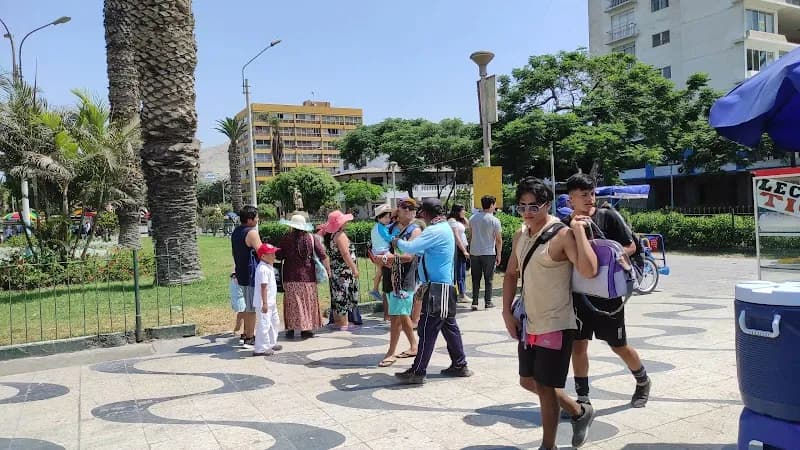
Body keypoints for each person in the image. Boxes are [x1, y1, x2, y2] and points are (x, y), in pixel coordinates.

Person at [501, 177, 598, 449]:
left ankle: (549, 445)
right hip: (529, 322)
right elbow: (510, 274)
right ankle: (579, 411)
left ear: (547, 205)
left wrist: (578, 232)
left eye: (534, 207)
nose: (528, 213)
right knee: (527, 381)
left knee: (545, 387)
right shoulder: (521, 234)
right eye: (522, 207)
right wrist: (507, 313)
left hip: (556, 323)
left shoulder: (561, 234)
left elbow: (589, 270)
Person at [564, 173, 652, 410]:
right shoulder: (565, 226)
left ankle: (643, 381)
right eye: (583, 195)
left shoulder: (607, 216)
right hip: (579, 295)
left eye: (592, 193)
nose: (590, 198)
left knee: (618, 345)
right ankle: (583, 397)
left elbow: (632, 245)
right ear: (570, 199)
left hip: (609, 296)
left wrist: (614, 255)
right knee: (578, 345)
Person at [394, 198, 472, 385]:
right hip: (443, 286)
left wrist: (396, 240)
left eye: (421, 212)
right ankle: (460, 365)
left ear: (426, 213)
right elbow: (424, 252)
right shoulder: (443, 228)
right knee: (449, 327)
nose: (419, 215)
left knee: (428, 329)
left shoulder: (435, 230)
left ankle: (418, 371)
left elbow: (412, 247)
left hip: (438, 288)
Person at [370, 198, 421, 367]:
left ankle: (391, 352)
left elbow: (409, 256)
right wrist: (379, 259)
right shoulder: (389, 228)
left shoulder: (415, 230)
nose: (407, 211)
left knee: (395, 316)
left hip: (404, 278)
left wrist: (390, 257)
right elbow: (379, 245)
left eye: (411, 208)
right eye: (403, 207)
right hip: (388, 275)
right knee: (401, 313)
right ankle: (414, 345)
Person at [277, 214, 329, 339]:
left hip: (290, 275)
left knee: (292, 303)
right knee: (307, 302)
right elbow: (323, 255)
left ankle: (291, 327)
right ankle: (307, 328)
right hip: (308, 276)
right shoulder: (311, 238)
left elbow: (279, 256)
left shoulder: (286, 239)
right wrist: (328, 270)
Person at [319, 210, 360, 330]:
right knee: (344, 295)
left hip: (336, 270)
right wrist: (354, 268)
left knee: (337, 295)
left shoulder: (331, 236)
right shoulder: (340, 235)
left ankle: (338, 321)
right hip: (344, 271)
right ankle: (344, 323)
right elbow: (345, 254)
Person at [231, 206, 261, 347]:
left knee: (247, 305)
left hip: (241, 272)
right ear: (249, 220)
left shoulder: (236, 231)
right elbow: (261, 251)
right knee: (251, 308)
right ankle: (250, 337)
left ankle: (245, 332)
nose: (258, 219)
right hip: (250, 274)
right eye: (256, 217)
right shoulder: (251, 233)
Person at [469, 195, 502, 311]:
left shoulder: (472, 218)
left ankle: (475, 302)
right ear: (492, 205)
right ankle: (488, 302)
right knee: (489, 279)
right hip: (489, 253)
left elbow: (471, 236)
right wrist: (499, 254)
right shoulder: (494, 220)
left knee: (475, 278)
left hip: (474, 252)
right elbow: (498, 239)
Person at [253, 243, 283, 357]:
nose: (274, 255)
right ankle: (261, 348)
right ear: (263, 256)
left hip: (271, 302)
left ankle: (271, 342)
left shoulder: (268, 266)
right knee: (264, 325)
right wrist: (264, 303)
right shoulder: (262, 269)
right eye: (271, 254)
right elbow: (263, 287)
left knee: (274, 322)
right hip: (264, 303)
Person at [369, 204, 394, 303]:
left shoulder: (376, 227)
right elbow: (388, 237)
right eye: (386, 217)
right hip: (384, 251)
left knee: (379, 272)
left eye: (389, 217)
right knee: (393, 266)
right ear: (379, 218)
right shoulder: (381, 228)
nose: (388, 220)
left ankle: (375, 290)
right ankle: (395, 289)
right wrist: (396, 235)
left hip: (376, 252)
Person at [447, 204, 470, 301]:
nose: (464, 212)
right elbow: (456, 237)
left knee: (462, 272)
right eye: (463, 210)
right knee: (459, 272)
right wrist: (464, 250)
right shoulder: (452, 221)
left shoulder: (458, 220)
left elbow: (468, 226)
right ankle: (461, 294)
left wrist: (464, 217)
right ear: (457, 211)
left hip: (462, 247)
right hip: (458, 249)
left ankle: (461, 293)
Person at [229, 272, 246, 344]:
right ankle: (239, 330)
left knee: (243, 313)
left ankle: (242, 331)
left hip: (241, 295)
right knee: (242, 313)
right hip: (238, 295)